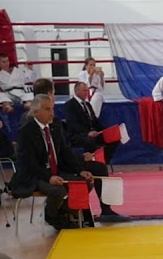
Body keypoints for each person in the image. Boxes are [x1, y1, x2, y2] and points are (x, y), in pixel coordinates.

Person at [11, 95, 118, 229]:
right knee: (58, 191)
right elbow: (29, 163)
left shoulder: (55, 125)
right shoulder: (26, 131)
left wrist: (80, 170)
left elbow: (65, 151)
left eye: (52, 109)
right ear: (36, 112)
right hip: (35, 175)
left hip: (56, 170)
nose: (52, 113)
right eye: (47, 109)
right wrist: (49, 177)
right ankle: (51, 216)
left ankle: (60, 211)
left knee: (85, 183)